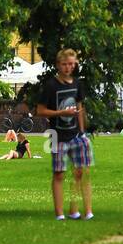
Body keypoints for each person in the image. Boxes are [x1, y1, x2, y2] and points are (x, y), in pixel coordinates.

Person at [37, 48, 94, 222]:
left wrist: (83, 131)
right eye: (64, 64)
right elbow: (40, 110)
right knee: (59, 173)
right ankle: (59, 213)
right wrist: (60, 112)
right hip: (57, 135)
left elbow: (80, 108)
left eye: (71, 64)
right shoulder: (51, 85)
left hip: (77, 135)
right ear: (58, 65)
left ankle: (79, 210)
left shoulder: (77, 83)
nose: (68, 67)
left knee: (81, 172)